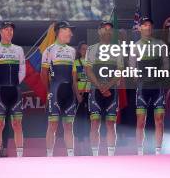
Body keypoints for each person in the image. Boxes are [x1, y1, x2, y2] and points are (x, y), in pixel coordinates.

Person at [0, 21, 26, 158]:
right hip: (0, 91)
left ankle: (20, 156)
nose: (10, 32)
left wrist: (14, 84)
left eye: (11, 30)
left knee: (17, 124)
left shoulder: (19, 49)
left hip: (15, 90)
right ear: (0, 32)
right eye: (7, 29)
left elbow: (22, 71)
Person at [130, 17, 169, 155]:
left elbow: (166, 64)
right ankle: (140, 152)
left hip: (157, 86)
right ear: (139, 28)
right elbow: (132, 66)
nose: (147, 27)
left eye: (149, 25)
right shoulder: (135, 46)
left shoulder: (161, 44)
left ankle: (158, 151)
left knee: (159, 120)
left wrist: (161, 75)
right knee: (140, 120)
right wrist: (137, 78)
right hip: (142, 87)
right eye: (144, 25)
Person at [85, 21, 124, 156]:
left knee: (110, 124)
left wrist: (108, 85)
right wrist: (99, 85)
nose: (107, 31)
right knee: (94, 123)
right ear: (99, 31)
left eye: (109, 29)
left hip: (111, 91)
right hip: (96, 90)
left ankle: (111, 156)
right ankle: (95, 156)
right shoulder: (91, 49)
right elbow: (88, 69)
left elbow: (120, 70)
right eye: (104, 29)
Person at [42, 21, 79, 157]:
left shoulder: (72, 50)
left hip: (69, 94)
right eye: (69, 30)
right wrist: (48, 92)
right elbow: (43, 74)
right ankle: (49, 156)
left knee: (69, 126)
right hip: (55, 91)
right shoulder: (49, 50)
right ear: (60, 31)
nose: (71, 33)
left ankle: (70, 155)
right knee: (53, 125)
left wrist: (76, 93)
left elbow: (73, 75)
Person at [73, 41, 90, 155]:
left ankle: (88, 145)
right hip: (79, 94)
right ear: (79, 51)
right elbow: (74, 80)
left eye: (87, 49)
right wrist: (78, 94)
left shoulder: (91, 63)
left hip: (89, 93)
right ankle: (80, 146)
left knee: (88, 120)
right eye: (83, 49)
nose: (85, 51)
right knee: (79, 119)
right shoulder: (76, 62)